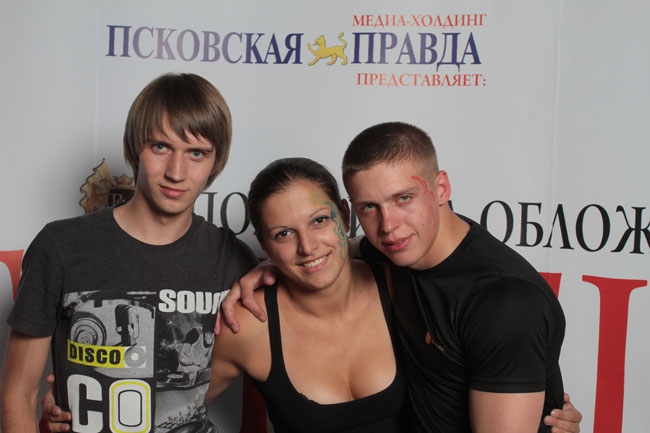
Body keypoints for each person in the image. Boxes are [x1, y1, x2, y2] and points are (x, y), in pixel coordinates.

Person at [221, 122, 582, 433]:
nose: (389, 225)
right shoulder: (397, 253)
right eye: (369, 207)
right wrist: (276, 265)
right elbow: (331, 249)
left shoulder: (503, 300)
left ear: (441, 189)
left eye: (404, 198)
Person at [0, 72, 258, 433]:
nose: (176, 172)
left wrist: (271, 272)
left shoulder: (232, 258)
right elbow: (19, 393)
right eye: (161, 147)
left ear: (216, 161)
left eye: (196, 153)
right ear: (135, 148)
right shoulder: (60, 246)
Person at [206, 157, 407, 432]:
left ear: (345, 215)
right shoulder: (248, 324)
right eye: (284, 234)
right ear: (264, 243)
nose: (307, 247)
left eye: (319, 220)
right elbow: (168, 412)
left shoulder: (400, 287)